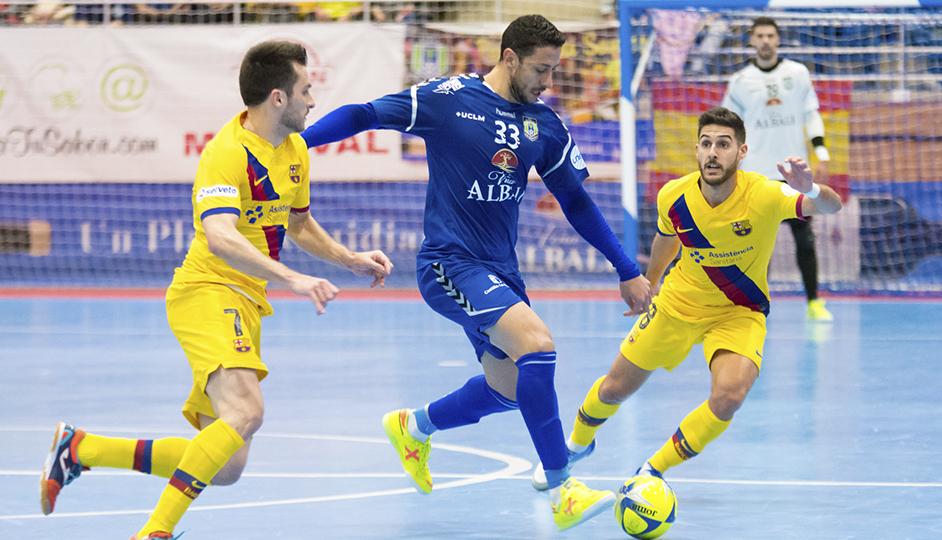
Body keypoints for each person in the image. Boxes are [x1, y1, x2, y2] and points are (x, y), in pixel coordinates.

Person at [299, 14, 653, 530]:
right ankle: (563, 489)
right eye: (540, 69)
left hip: (499, 270)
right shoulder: (448, 98)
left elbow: (575, 201)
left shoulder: (544, 124)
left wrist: (626, 268)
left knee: (509, 388)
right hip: (448, 263)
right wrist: (297, 144)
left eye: (554, 70)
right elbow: (363, 113)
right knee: (537, 345)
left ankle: (414, 426)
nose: (548, 82)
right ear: (509, 57)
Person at [39, 40, 393, 540]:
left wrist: (349, 259)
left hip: (245, 300)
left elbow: (300, 223)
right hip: (208, 290)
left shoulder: (293, 149)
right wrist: (291, 277)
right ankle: (154, 533)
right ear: (277, 97)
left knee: (226, 465)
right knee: (247, 412)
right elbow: (221, 237)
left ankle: (83, 449)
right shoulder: (226, 154)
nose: (312, 101)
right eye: (306, 90)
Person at [530, 107, 842, 489]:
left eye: (723, 145)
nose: (713, 152)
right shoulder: (673, 195)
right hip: (677, 304)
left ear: (742, 152)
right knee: (614, 388)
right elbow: (667, 237)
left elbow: (831, 205)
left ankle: (652, 470)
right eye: (706, 143)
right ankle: (576, 446)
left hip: (739, 312)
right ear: (697, 149)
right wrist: (649, 283)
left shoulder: (764, 193)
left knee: (729, 397)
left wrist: (808, 187)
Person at [721, 16, 835, 321]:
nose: (766, 40)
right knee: (758, 247)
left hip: (793, 173)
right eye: (760, 35)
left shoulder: (797, 74)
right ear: (752, 41)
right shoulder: (741, 81)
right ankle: (757, 306)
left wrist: (821, 153)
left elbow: (812, 115)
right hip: (757, 175)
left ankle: (813, 302)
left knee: (805, 240)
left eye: (770, 35)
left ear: (778, 39)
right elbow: (729, 128)